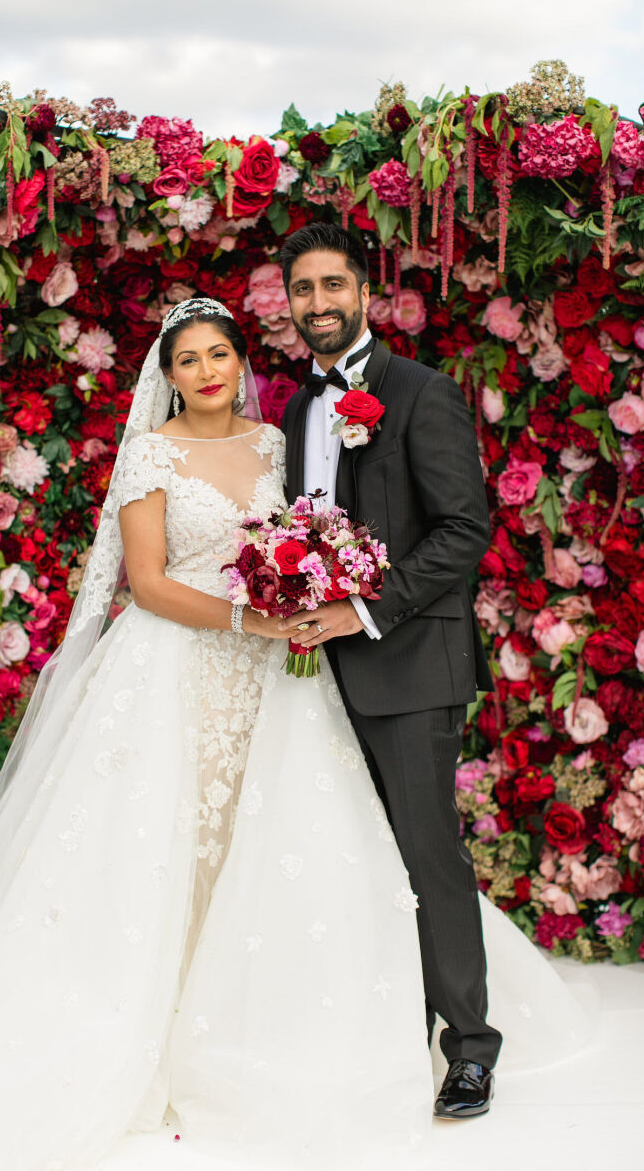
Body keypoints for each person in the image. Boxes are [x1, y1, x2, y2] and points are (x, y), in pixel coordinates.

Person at [0, 297, 588, 1171]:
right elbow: (147, 582)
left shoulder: (276, 442)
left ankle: (283, 1017)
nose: (209, 371)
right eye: (190, 360)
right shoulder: (149, 453)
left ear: (241, 361)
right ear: (166, 376)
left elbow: (312, 533)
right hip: (174, 666)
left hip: (279, 675)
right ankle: (140, 1022)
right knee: (162, 837)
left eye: (221, 354)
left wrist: (306, 592)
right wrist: (255, 621)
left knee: (280, 832)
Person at [277, 221, 501, 1119]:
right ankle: (377, 1026)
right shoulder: (295, 409)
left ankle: (471, 1049)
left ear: (365, 292)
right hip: (320, 674)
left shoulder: (420, 394)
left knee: (426, 855)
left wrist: (363, 610)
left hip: (408, 665)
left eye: (334, 287)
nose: (318, 305)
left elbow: (462, 531)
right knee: (348, 857)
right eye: (303, 290)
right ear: (287, 300)